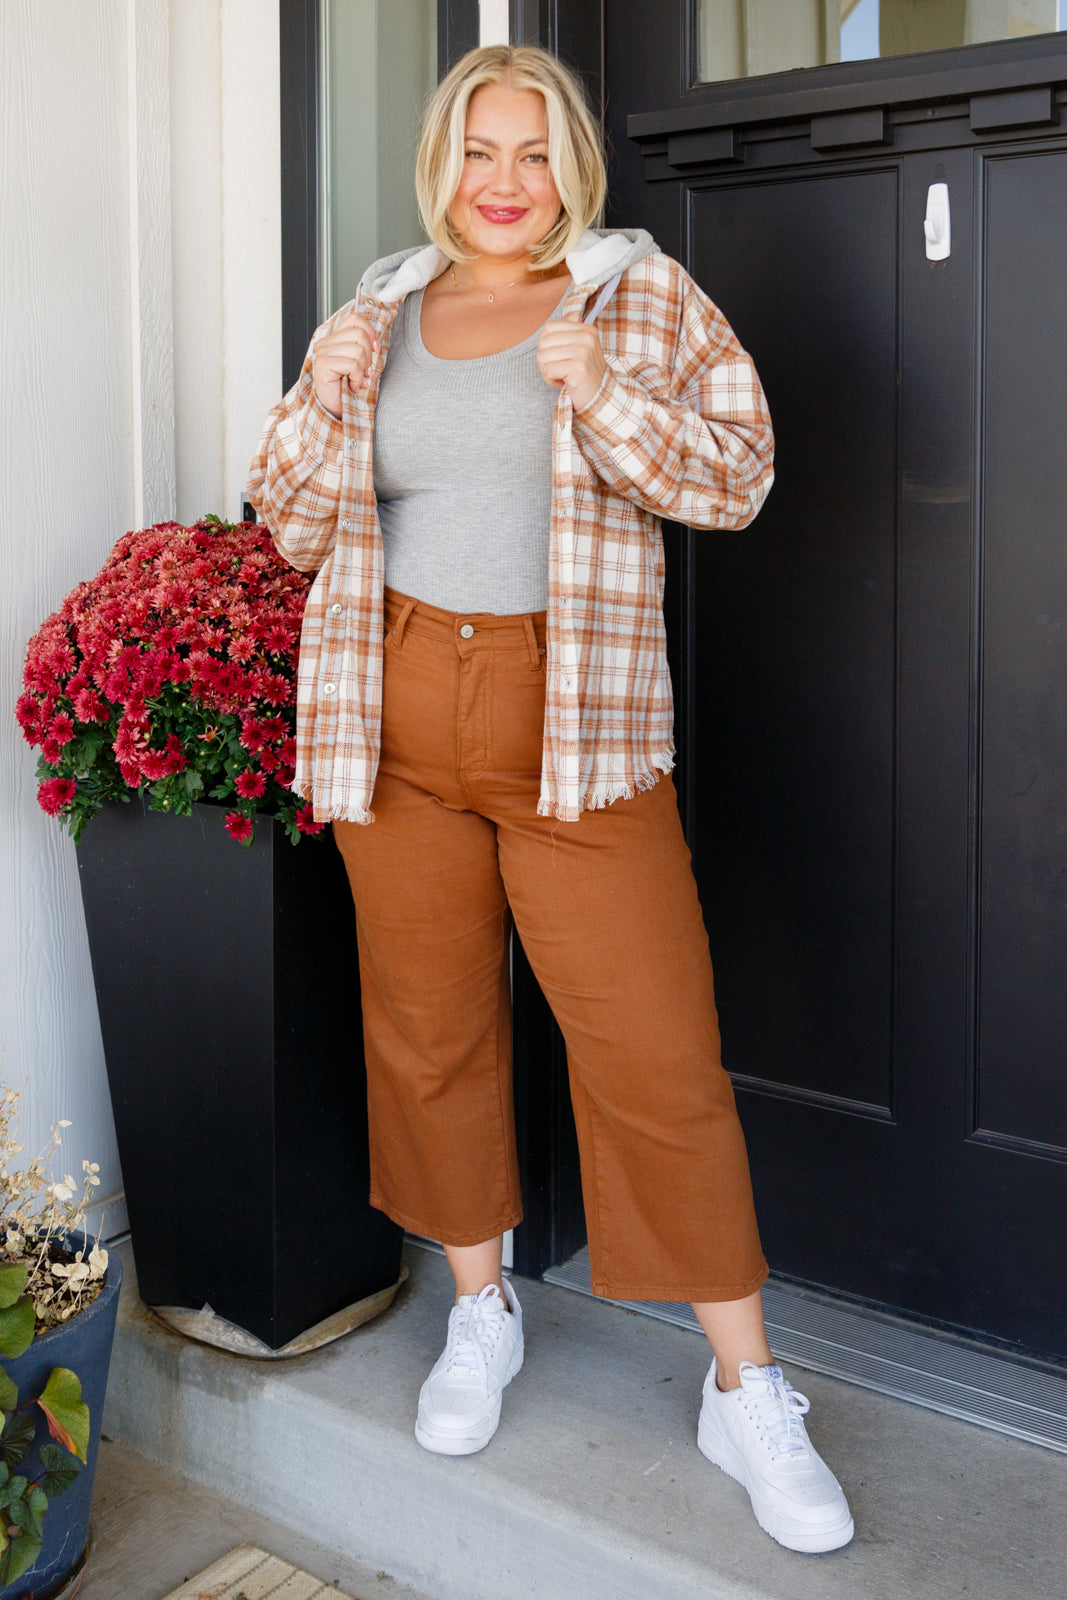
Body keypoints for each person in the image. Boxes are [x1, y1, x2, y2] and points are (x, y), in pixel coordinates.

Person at [248, 43, 852, 1556]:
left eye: (530, 154)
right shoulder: (375, 312)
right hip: (393, 728)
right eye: (476, 152)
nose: (502, 185)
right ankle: (481, 1304)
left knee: (656, 1053)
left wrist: (609, 398)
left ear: (569, 166)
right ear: (439, 167)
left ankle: (746, 1387)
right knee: (432, 1027)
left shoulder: (635, 299)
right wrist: (329, 405)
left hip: (579, 739)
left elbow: (740, 476)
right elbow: (292, 519)